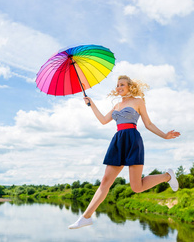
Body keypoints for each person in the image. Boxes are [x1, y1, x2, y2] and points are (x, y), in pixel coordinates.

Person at [68, 75, 180, 229]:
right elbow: (102, 120)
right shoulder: (116, 106)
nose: (119, 87)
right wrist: (91, 104)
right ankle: (86, 217)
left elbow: (148, 123)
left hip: (132, 140)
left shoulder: (138, 101)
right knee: (105, 181)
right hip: (118, 141)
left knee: (136, 187)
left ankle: (167, 176)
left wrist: (165, 135)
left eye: (122, 84)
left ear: (130, 86)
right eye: (117, 85)